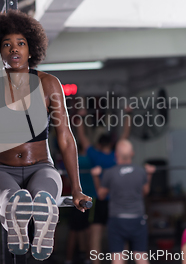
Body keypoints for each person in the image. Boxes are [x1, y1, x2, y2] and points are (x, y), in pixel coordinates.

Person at [0, 10, 91, 261]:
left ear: (30, 49)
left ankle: (41, 224)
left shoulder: (49, 83)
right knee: (12, 198)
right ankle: (16, 220)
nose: (14, 49)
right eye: (6, 44)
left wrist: (78, 189)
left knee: (44, 198)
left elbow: (66, 138)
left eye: (20, 43)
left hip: (42, 168)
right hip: (0, 171)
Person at [75, 108, 131, 264]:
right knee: (121, 234)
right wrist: (128, 114)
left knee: (95, 236)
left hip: (99, 201)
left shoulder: (95, 155)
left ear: (99, 144)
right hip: (116, 201)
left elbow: (82, 137)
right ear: (112, 144)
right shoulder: (116, 156)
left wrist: (80, 117)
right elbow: (125, 135)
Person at [91, 139, 155, 264]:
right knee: (141, 257)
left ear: (116, 155)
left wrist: (95, 176)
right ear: (132, 153)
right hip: (137, 219)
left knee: (117, 259)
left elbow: (101, 195)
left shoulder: (109, 173)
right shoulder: (141, 171)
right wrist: (149, 175)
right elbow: (145, 192)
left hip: (117, 221)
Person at [65, 144, 95, 264]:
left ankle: (68, 260)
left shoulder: (71, 162)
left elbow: (67, 181)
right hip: (87, 199)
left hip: (77, 200)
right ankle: (88, 259)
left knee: (74, 231)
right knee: (88, 230)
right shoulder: (91, 160)